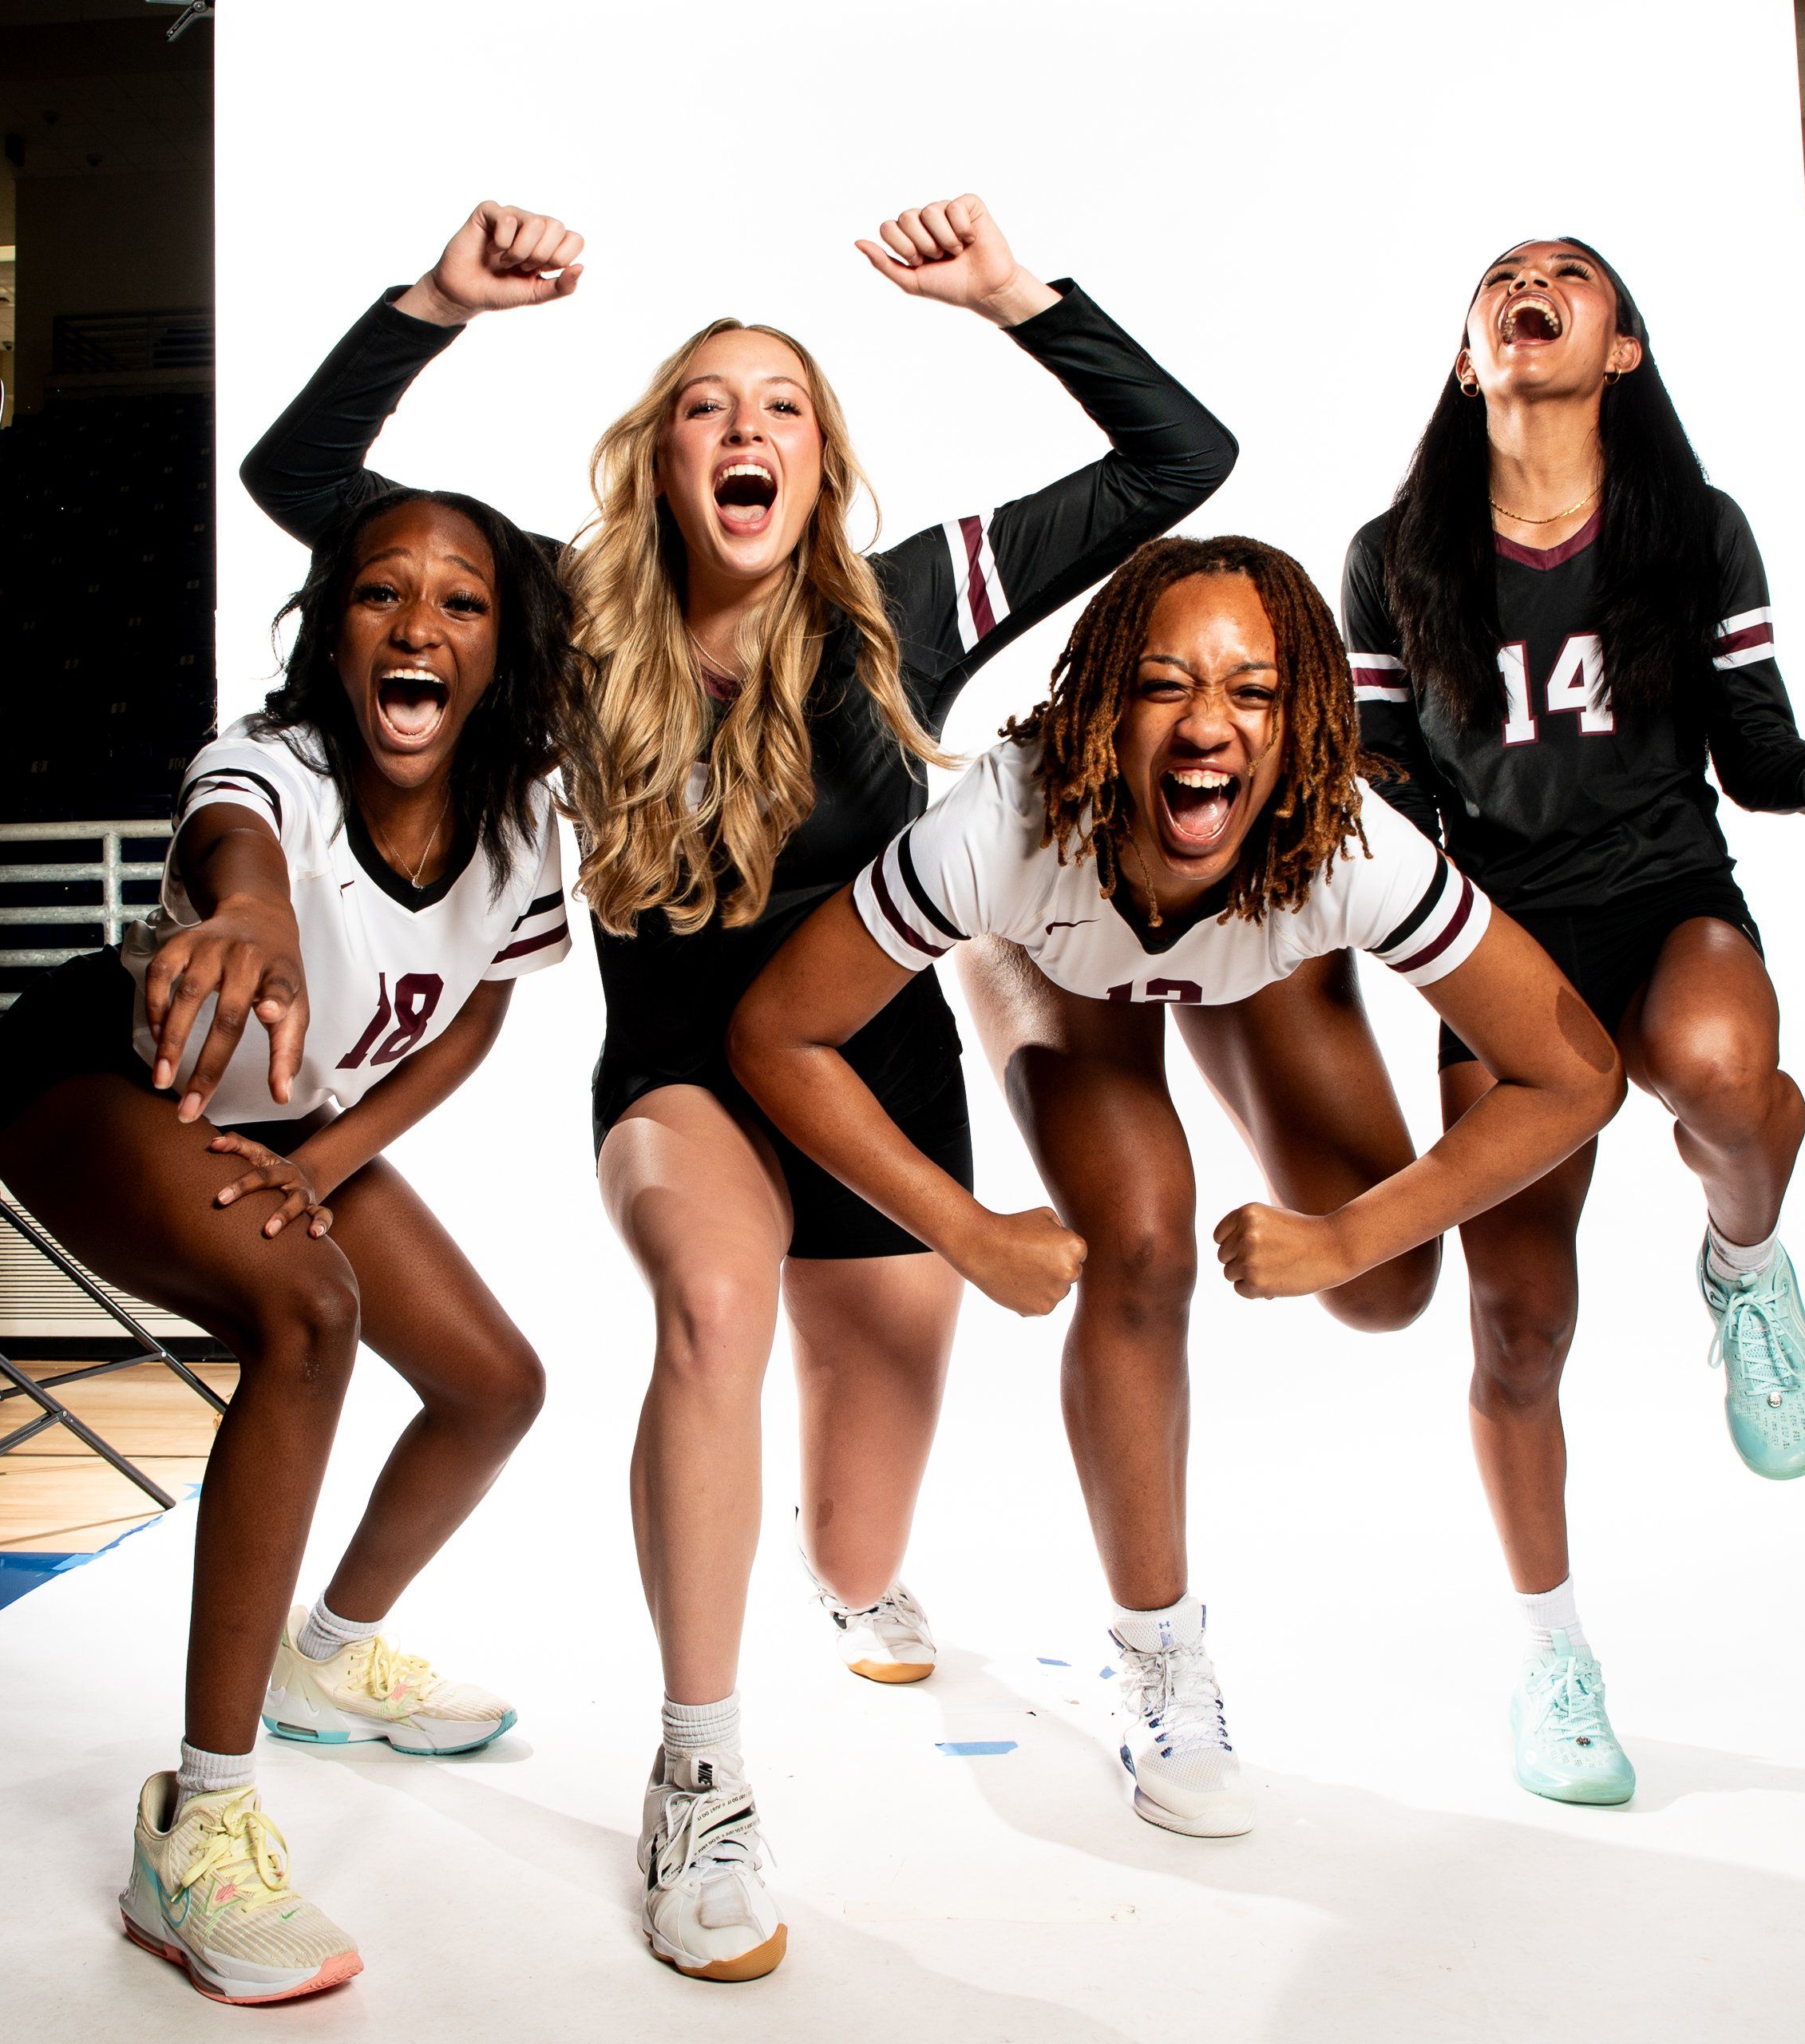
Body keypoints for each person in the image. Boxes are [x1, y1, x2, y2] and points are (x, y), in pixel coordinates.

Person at [241, 195, 1234, 1979]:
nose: (743, 427)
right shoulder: (562, 613)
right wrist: (437, 303)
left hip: (880, 1079)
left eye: (780, 404)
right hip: (683, 1071)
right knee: (711, 1308)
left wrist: (1015, 296)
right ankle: (698, 1773)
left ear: (819, 460)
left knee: (856, 1545)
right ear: (661, 459)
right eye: (706, 405)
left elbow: (1181, 458)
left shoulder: (910, 603)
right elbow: (301, 481)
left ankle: (847, 1571)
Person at [730, 535, 1624, 1837]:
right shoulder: (1004, 824)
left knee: (1386, 1289)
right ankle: (1161, 1654)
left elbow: (1577, 1074)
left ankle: (1255, 969)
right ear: (1106, 704)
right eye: (1165, 684)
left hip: (1258, 944)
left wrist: (1343, 1237)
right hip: (1066, 958)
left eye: (1254, 691)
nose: (1210, 725)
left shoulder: (1349, 844)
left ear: (1301, 721)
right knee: (1143, 1243)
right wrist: (966, 1231)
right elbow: (776, 1034)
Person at [1340, 237, 1805, 1807]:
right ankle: (1554, 1658)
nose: (1528, 284)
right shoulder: (1394, 554)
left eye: (1569, 275)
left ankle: (1745, 1263)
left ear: (1621, 349)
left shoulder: (1690, 531)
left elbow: (1760, 763)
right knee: (1519, 1329)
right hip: (1503, 942)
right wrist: (1371, 879)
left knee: (1723, 1072)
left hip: (1666, 894)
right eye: (1501, 277)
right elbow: (1389, 789)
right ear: (1469, 355)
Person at [0, 486, 577, 2002]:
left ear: (500, 648)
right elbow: (234, 850)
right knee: (310, 1313)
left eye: (460, 600)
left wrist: (327, 1154)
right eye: (381, 592)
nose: (418, 623)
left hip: (282, 1117)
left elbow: (477, 1017)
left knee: (495, 1385)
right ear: (336, 631)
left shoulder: (520, 822)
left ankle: (329, 1654)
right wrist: (255, 917)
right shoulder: (272, 765)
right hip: (103, 1075)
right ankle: (200, 1825)